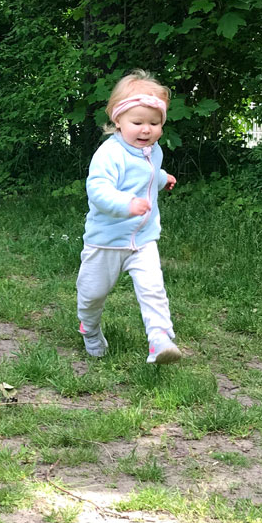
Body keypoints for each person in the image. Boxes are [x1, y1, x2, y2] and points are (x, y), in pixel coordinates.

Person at [76, 70, 181, 364]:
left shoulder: (152, 150)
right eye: (137, 122)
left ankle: (159, 340)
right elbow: (98, 190)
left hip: (143, 239)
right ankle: (90, 329)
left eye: (154, 123)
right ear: (118, 120)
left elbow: (146, 175)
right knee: (92, 294)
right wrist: (126, 204)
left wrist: (162, 178)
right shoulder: (110, 154)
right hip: (106, 241)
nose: (146, 130)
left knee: (153, 289)